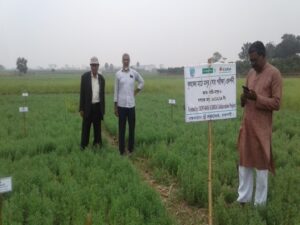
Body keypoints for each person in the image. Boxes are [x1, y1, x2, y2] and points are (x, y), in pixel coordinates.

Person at [237, 41, 282, 205]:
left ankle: (259, 205)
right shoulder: (250, 73)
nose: (252, 63)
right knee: (244, 164)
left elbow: (277, 103)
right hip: (247, 126)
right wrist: (243, 99)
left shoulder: (274, 74)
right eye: (251, 60)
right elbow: (246, 100)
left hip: (262, 129)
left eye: (255, 60)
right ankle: (243, 199)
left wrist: (258, 98)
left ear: (263, 56)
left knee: (261, 168)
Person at [114, 53, 144, 155]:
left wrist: (136, 91)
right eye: (124, 59)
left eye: (127, 59)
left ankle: (131, 149)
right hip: (121, 106)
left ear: (129, 61)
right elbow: (116, 91)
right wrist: (115, 106)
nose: (126, 61)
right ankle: (121, 150)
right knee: (121, 129)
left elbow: (142, 82)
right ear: (122, 61)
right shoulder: (118, 74)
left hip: (131, 106)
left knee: (132, 128)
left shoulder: (134, 73)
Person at [79, 56, 105, 150]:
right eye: (92, 65)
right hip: (87, 107)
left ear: (98, 66)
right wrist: (81, 108)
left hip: (98, 107)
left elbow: (102, 96)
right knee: (86, 128)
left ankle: (97, 145)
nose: (94, 67)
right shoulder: (85, 77)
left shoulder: (102, 79)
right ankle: (83, 146)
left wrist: (103, 110)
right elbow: (82, 94)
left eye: (96, 65)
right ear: (90, 66)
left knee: (97, 128)